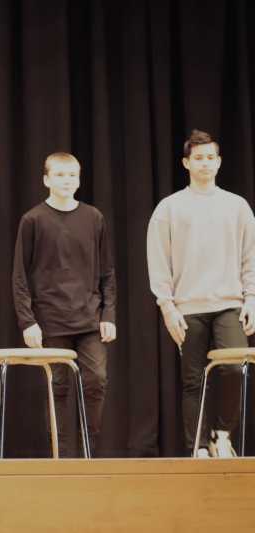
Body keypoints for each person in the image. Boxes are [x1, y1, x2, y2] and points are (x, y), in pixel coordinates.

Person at [147, 129, 255, 458]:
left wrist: (251, 297)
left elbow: (250, 256)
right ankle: (197, 446)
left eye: (210, 157)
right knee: (193, 380)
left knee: (234, 367)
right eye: (198, 158)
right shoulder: (169, 208)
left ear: (219, 162)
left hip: (229, 303)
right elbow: (158, 259)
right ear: (186, 163)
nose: (205, 163)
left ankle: (222, 434)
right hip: (187, 306)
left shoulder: (237, 206)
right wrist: (167, 306)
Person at [12, 152, 117, 457]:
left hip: (89, 317)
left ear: (79, 179)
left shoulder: (93, 218)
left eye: (72, 175)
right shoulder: (33, 220)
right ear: (46, 179)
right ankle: (61, 456)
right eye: (59, 175)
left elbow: (107, 272)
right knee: (57, 386)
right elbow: (19, 275)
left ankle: (88, 453)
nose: (66, 180)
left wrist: (108, 314)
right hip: (50, 319)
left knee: (96, 380)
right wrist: (27, 321)